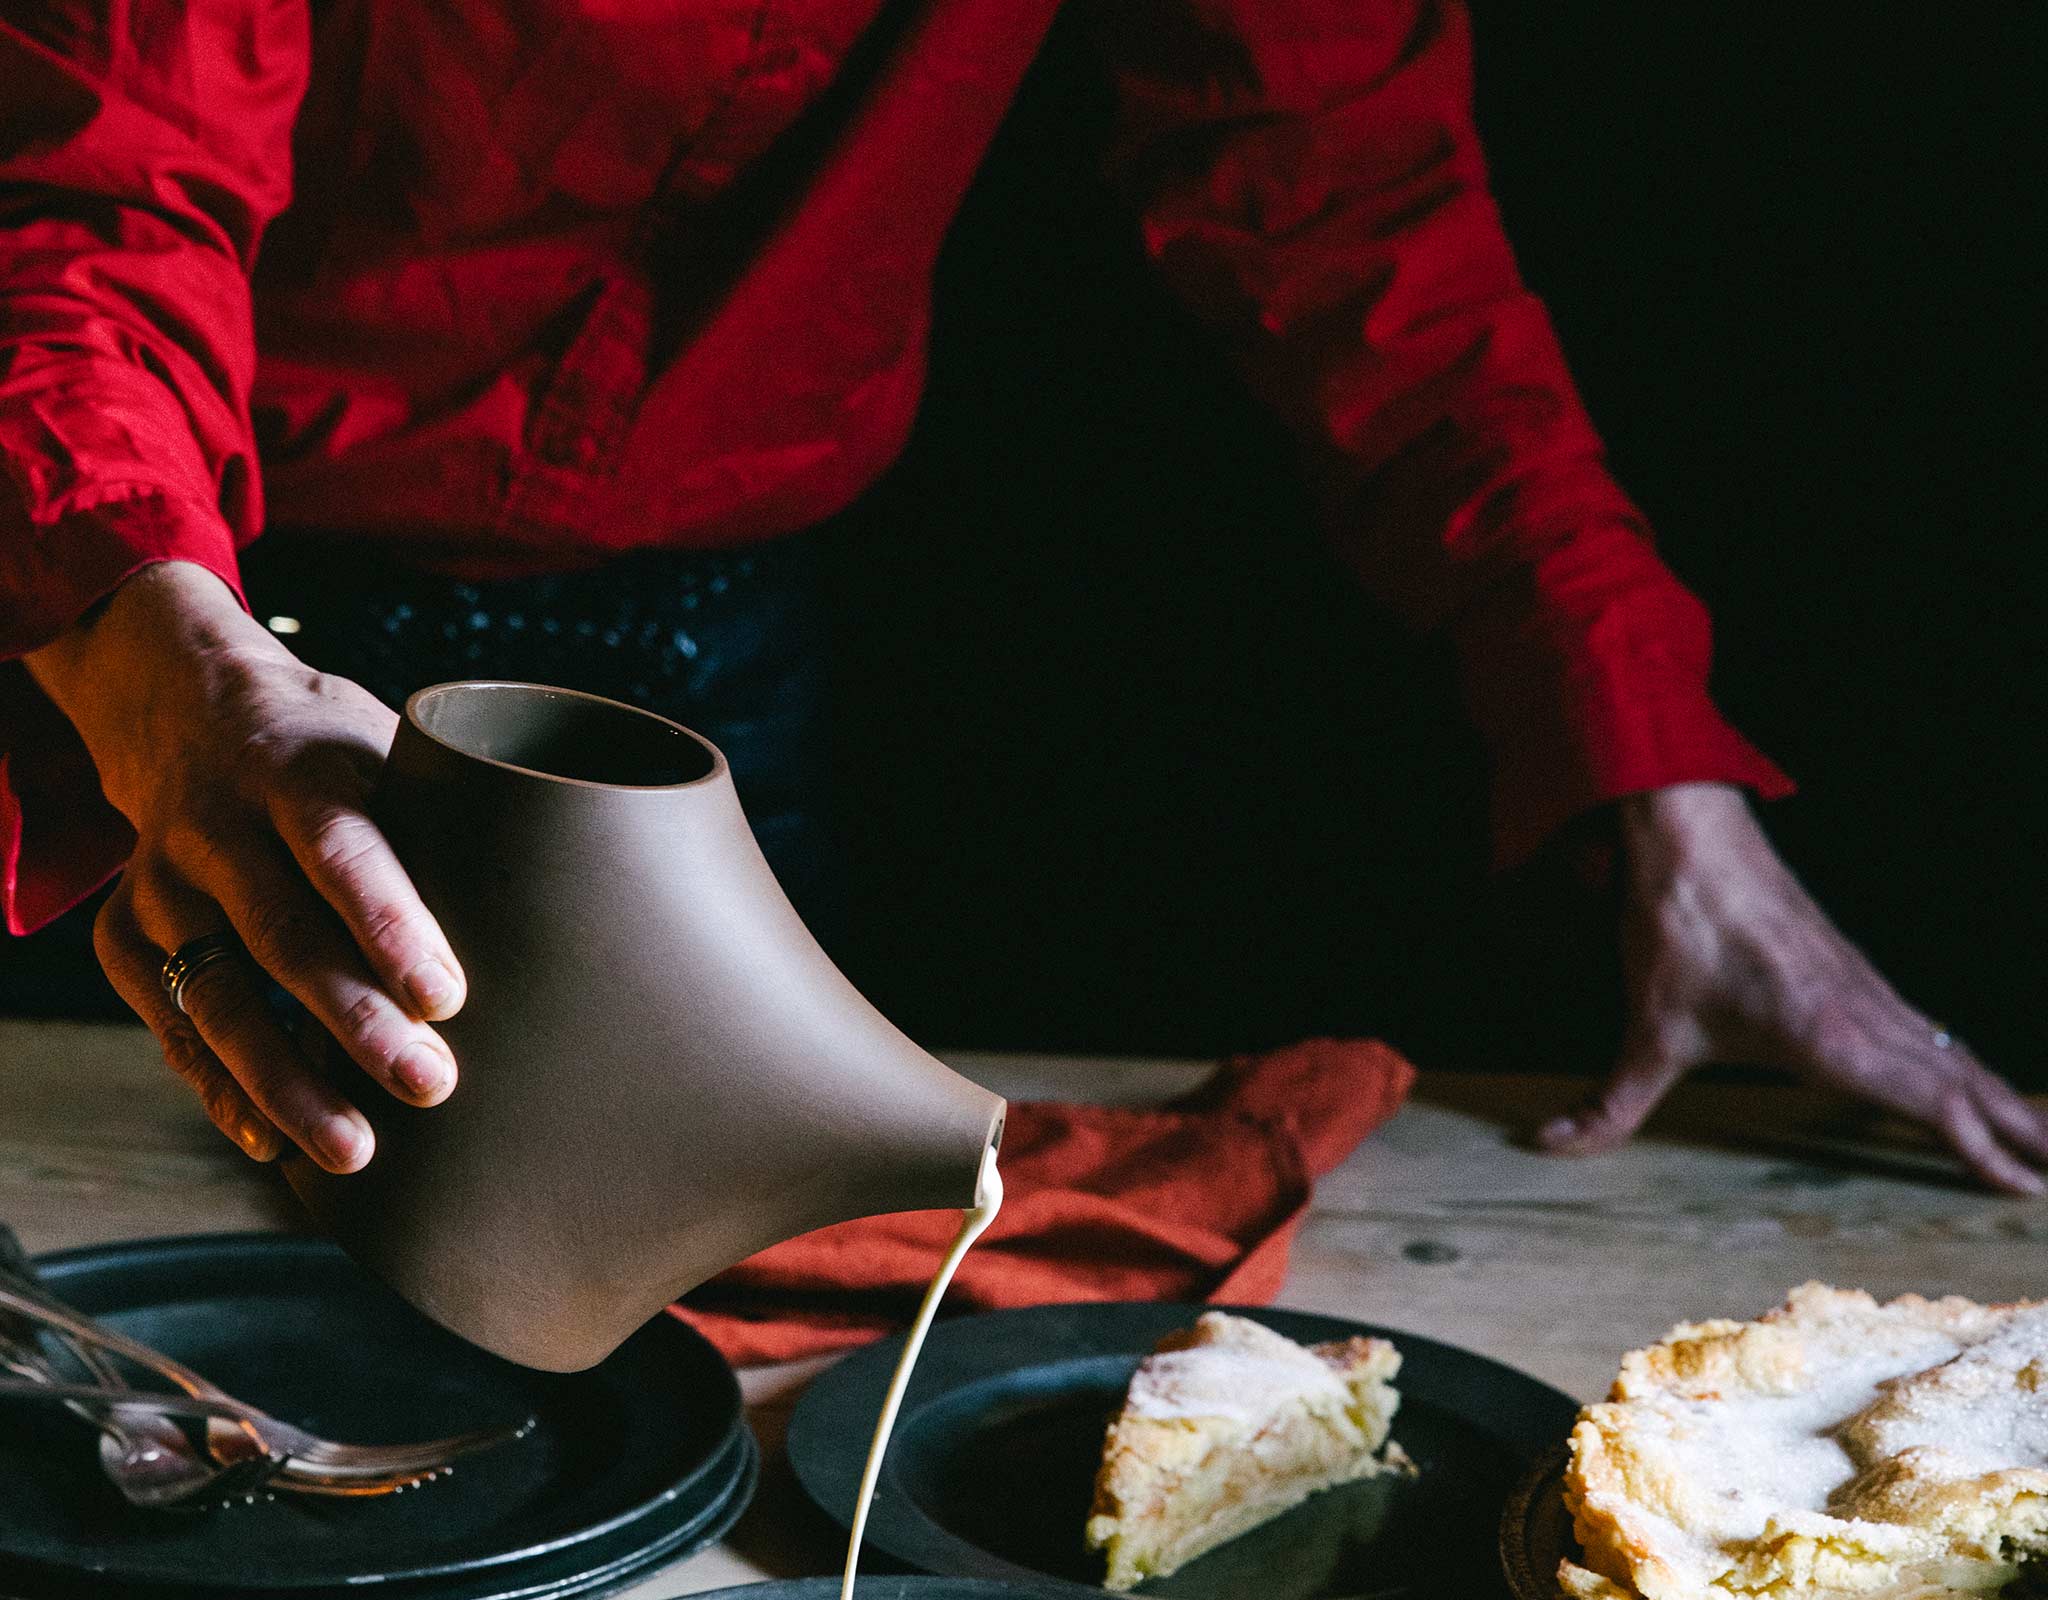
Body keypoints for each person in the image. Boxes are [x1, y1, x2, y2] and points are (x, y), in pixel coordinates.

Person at [2, 1, 2042, 1193]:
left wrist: (1650, 781)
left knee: (651, 1413)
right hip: (108, 613)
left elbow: (1345, 201)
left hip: (689, 672)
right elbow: (97, 168)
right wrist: (150, 628)